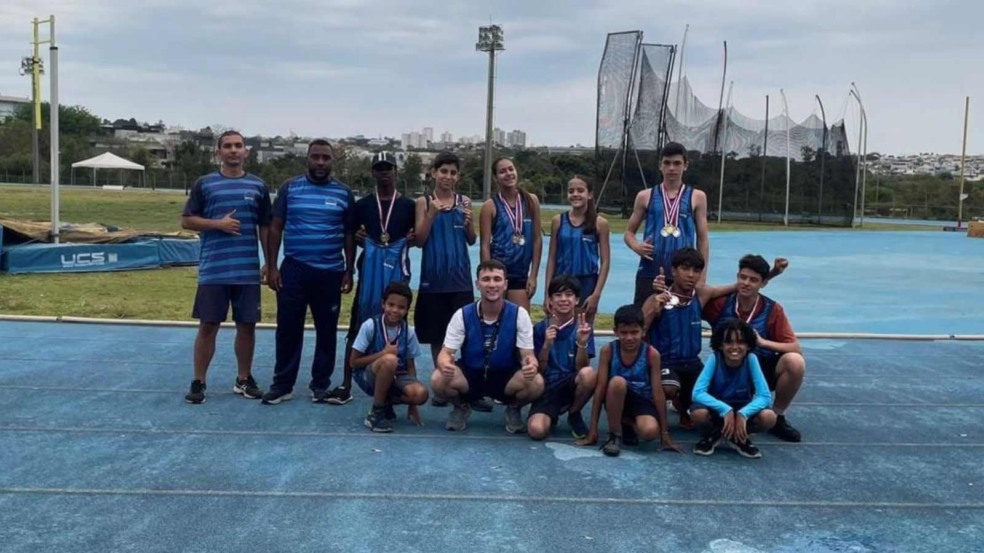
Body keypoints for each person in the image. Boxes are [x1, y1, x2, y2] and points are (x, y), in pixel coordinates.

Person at [262, 139, 356, 405]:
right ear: (307, 159)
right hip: (294, 269)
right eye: (315, 157)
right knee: (288, 328)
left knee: (326, 330)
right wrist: (271, 266)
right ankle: (283, 384)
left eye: (325, 158)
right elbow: (275, 226)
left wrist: (349, 270)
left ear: (332, 161)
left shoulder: (343, 193)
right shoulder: (290, 188)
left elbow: (349, 234)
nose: (320, 162)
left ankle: (320, 384)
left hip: (330, 272)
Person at [181, 130, 271, 404]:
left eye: (238, 146)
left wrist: (269, 261)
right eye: (228, 146)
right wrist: (217, 224)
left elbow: (265, 226)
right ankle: (199, 381)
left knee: (247, 326)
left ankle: (243, 379)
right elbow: (187, 220)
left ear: (246, 151)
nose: (234, 150)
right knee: (208, 325)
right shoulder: (205, 184)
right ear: (218, 152)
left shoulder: (258, 186)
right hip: (214, 270)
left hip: (246, 271)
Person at [327, 152, 416, 406]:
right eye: (379, 168)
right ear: (373, 173)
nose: (384, 172)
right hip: (369, 275)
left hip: (396, 277)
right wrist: (348, 269)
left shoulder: (408, 206)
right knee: (358, 327)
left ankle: (400, 382)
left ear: (396, 172)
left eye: (388, 168)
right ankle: (346, 384)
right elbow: (350, 235)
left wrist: (412, 238)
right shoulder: (363, 205)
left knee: (399, 325)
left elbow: (419, 237)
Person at [430, 260, 544, 433]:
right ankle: (461, 406)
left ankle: (513, 408)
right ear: (477, 284)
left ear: (505, 284)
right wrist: (445, 363)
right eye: (486, 279)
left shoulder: (519, 314)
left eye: (497, 279)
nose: (492, 284)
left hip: (505, 376)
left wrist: (531, 365)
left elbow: (528, 354)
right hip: (471, 374)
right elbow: (445, 352)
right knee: (438, 379)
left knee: (536, 382)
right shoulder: (462, 314)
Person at [703, 254, 804, 442]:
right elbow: (694, 299)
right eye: (743, 277)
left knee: (795, 362)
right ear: (737, 277)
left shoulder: (773, 309)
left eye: (753, 280)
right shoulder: (720, 304)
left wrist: (762, 342)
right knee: (699, 413)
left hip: (758, 367)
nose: (746, 283)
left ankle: (778, 416)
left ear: (763, 283)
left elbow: (795, 347)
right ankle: (713, 420)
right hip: (725, 370)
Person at [409, 153, 479, 408]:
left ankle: (468, 386)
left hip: (460, 282)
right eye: (444, 171)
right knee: (438, 337)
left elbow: (471, 239)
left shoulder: (465, 202)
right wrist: (431, 214)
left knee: (468, 337)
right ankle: (442, 385)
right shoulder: (423, 202)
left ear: (458, 176)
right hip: (433, 282)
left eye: (453, 172)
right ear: (434, 173)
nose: (448, 177)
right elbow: (419, 240)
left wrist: (470, 224)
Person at [641, 248, 735, 430]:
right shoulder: (658, 298)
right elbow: (640, 329)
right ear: (674, 271)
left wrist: (770, 274)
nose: (691, 275)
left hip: (692, 362)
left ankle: (684, 406)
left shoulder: (701, 294)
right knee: (669, 387)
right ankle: (654, 410)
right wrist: (654, 308)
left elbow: (738, 286)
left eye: (696, 271)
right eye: (685, 269)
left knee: (716, 394)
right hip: (665, 362)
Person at [575, 305, 683, 457]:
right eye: (624, 333)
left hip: (641, 399)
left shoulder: (652, 354)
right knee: (617, 382)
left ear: (643, 331)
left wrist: (664, 434)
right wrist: (593, 430)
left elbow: (658, 393)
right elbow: (600, 390)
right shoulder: (608, 350)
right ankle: (614, 434)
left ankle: (626, 422)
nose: (629, 337)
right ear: (615, 331)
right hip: (615, 395)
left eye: (634, 332)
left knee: (650, 432)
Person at [624, 142, 709, 306]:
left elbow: (703, 239)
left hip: (684, 274)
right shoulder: (645, 196)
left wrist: (702, 277)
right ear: (660, 166)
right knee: (644, 320)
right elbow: (628, 233)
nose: (672, 168)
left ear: (686, 166)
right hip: (649, 271)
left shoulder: (697, 197)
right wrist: (636, 246)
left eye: (677, 163)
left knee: (677, 321)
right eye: (667, 163)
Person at [691, 320, 777, 458]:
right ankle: (715, 433)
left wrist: (744, 413)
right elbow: (697, 393)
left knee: (769, 417)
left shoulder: (751, 359)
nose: (735, 347)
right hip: (717, 411)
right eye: (729, 342)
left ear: (748, 345)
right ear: (720, 344)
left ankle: (738, 436)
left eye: (741, 342)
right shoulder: (715, 358)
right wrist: (725, 409)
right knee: (698, 414)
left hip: (741, 409)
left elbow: (765, 396)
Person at [350, 282, 428, 433]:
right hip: (368, 375)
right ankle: (376, 413)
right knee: (389, 360)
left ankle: (386, 401)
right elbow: (353, 362)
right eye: (391, 305)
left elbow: (410, 365)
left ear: (407, 310)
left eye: (401, 307)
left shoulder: (408, 331)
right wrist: (383, 354)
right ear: (383, 304)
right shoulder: (370, 326)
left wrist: (413, 404)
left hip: (397, 375)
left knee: (421, 394)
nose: (395, 310)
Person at [528, 276, 597, 441]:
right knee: (536, 431)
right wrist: (546, 346)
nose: (564, 299)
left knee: (589, 374)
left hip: (571, 383)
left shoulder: (584, 328)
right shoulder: (539, 329)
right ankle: (551, 416)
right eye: (558, 295)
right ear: (550, 300)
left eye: (569, 295)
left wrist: (581, 343)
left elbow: (582, 368)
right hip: (547, 387)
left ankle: (574, 413)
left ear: (577, 299)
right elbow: (539, 370)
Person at [544, 175, 611, 321]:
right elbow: (551, 258)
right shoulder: (558, 221)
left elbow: (605, 262)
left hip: (586, 283)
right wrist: (547, 293)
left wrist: (596, 294)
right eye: (571, 191)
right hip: (560, 281)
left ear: (590, 194)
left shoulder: (600, 223)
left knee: (583, 330)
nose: (575, 194)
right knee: (557, 329)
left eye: (580, 190)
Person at [480, 157, 543, 311]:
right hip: (498, 273)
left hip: (520, 275)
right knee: (494, 322)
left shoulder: (531, 200)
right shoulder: (490, 206)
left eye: (510, 169)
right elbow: (485, 246)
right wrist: (488, 278)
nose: (508, 174)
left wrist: (533, 275)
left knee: (520, 323)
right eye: (502, 171)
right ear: (496, 178)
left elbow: (537, 240)